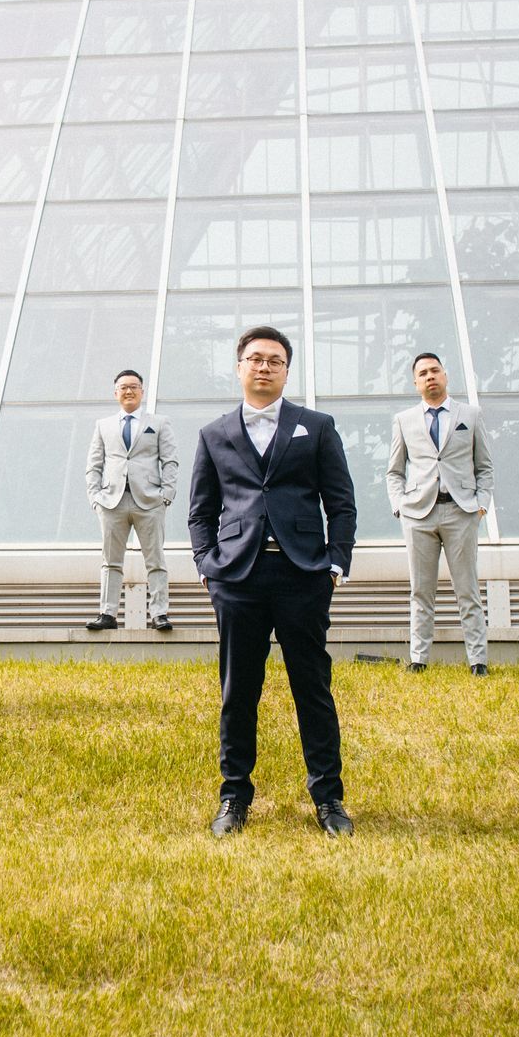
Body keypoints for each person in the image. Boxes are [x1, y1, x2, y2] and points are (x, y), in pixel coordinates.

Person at [189, 325, 358, 837]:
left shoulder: (317, 426)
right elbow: (201, 510)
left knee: (313, 686)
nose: (265, 367)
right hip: (237, 577)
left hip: (302, 573)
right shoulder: (214, 434)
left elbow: (342, 502)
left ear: (287, 370)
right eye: (256, 359)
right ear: (239, 367)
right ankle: (234, 797)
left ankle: (328, 800)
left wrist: (335, 562)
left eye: (275, 361)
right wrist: (206, 564)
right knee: (238, 688)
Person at [386, 351, 494, 674]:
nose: (430, 376)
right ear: (416, 382)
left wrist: (481, 505)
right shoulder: (403, 421)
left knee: (468, 589)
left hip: (461, 512)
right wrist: (399, 507)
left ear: (445, 376)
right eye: (423, 373)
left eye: (435, 370)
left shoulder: (470, 415)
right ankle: (418, 659)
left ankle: (478, 661)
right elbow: (394, 471)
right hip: (418, 514)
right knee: (421, 590)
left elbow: (485, 466)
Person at [84, 368, 178, 632]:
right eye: (123, 387)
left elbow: (169, 460)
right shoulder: (103, 425)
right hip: (112, 502)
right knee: (110, 560)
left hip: (149, 501)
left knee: (155, 560)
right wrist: (95, 497)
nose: (129, 391)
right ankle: (108, 613)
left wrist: (166, 495)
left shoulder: (159, 423)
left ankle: (159, 613)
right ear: (116, 393)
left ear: (142, 391)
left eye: (134, 386)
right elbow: (94, 464)